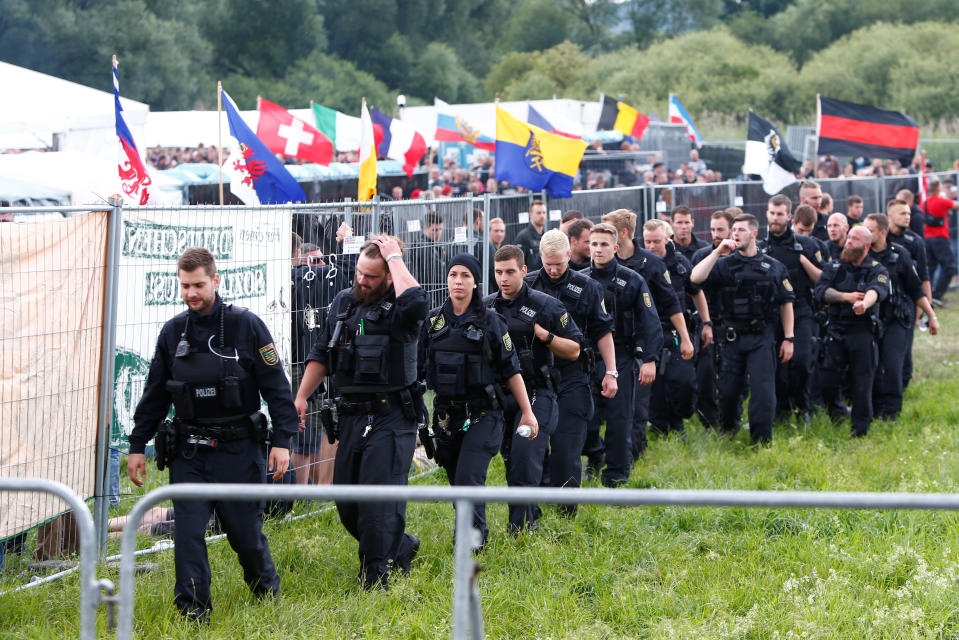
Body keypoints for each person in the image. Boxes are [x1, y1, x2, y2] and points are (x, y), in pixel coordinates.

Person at [128, 247, 298, 622]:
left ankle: (265, 589)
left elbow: (276, 387)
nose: (192, 293)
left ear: (216, 280)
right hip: (190, 452)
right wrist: (137, 445)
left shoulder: (246, 326)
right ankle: (193, 612)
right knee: (187, 533)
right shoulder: (173, 333)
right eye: (185, 285)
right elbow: (155, 394)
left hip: (239, 449)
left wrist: (283, 440)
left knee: (244, 534)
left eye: (199, 285)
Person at [294, 235, 428, 590]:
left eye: (371, 276)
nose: (362, 281)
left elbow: (418, 302)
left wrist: (395, 257)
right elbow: (322, 352)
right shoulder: (344, 302)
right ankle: (399, 546)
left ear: (388, 275)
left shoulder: (402, 304)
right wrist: (301, 397)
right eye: (359, 273)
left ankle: (375, 576)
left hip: (392, 416)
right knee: (348, 502)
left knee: (378, 501)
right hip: (352, 416)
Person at [420, 254, 537, 549]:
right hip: (447, 416)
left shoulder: (491, 321)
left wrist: (527, 412)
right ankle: (474, 532)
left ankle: (471, 544)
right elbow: (419, 370)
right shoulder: (433, 321)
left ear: (475, 282)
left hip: (485, 414)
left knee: (469, 477)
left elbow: (512, 370)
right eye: (453, 275)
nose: (458, 281)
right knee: (457, 482)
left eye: (465, 276)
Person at [486, 245, 582, 531]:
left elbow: (575, 348)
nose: (504, 278)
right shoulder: (487, 306)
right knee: (511, 459)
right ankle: (530, 513)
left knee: (525, 458)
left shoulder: (546, 305)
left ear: (524, 271)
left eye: (510, 272)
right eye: (498, 272)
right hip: (502, 396)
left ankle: (521, 529)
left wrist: (547, 336)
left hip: (538, 393)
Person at [526, 230, 616, 514]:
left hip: (573, 374)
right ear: (540, 257)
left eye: (559, 264)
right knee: (534, 447)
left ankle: (567, 511)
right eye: (548, 263)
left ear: (569, 255)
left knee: (567, 447)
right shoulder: (528, 285)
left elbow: (603, 330)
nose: (553, 270)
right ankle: (536, 505)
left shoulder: (586, 286)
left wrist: (611, 371)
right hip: (537, 376)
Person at [690, 214, 795, 445]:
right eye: (733, 230)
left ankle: (762, 441)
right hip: (731, 337)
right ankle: (728, 431)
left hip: (762, 337)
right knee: (728, 392)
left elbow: (786, 302)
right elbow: (695, 279)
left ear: (754, 233)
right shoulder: (723, 264)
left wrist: (789, 337)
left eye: (741, 230)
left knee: (762, 392)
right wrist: (717, 252)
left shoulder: (773, 267)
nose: (735, 234)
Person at [600, 208, 686, 458]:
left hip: (638, 343)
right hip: (607, 346)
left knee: (636, 406)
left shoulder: (651, 264)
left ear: (623, 233)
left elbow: (670, 303)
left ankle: (632, 457)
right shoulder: (600, 265)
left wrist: (684, 338)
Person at [582, 223, 662, 486]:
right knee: (587, 418)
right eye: (594, 244)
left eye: (604, 244)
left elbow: (650, 322)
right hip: (587, 357)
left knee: (619, 420)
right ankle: (594, 455)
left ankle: (616, 476)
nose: (598, 249)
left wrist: (650, 359)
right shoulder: (579, 280)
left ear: (615, 248)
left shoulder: (632, 280)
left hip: (623, 355)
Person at [814, 225, 889, 436]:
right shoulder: (834, 266)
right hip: (836, 330)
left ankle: (860, 430)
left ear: (866, 246)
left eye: (854, 239)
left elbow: (878, 290)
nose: (848, 242)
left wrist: (865, 303)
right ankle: (838, 414)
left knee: (862, 384)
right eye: (849, 238)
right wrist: (845, 297)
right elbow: (820, 291)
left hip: (862, 332)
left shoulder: (877, 269)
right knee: (827, 381)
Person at [863, 214, 939, 420]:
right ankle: (874, 408)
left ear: (882, 232)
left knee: (893, 364)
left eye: (870, 230)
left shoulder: (900, 254)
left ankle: (892, 411)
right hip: (868, 318)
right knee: (873, 365)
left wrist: (931, 316)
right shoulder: (861, 253)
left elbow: (915, 288)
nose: (866, 233)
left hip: (896, 316)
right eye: (864, 229)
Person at [759, 194, 823, 425]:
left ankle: (802, 407)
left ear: (790, 216)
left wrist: (803, 260)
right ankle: (781, 409)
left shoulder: (807, 245)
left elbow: (823, 280)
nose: (775, 219)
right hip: (771, 313)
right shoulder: (760, 248)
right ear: (766, 214)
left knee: (802, 361)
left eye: (780, 214)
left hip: (801, 310)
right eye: (772, 213)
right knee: (775, 366)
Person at [643, 219, 710, 436]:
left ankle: (680, 417)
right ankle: (661, 427)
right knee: (657, 385)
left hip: (678, 330)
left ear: (666, 239)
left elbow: (695, 290)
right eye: (647, 242)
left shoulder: (679, 263)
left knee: (683, 380)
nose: (651, 246)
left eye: (656, 241)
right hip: (652, 331)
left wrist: (706, 322)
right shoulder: (640, 264)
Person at [690, 209, 736, 430]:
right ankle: (709, 423)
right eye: (713, 229)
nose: (716, 234)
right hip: (708, 321)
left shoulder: (741, 257)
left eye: (721, 229)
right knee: (705, 374)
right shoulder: (702, 257)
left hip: (735, 323)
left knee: (732, 376)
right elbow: (694, 286)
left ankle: (731, 420)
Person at [886, 198, 932, 391]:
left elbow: (923, 276)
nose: (907, 217)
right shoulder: (880, 237)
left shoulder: (914, 241)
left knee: (904, 351)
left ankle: (901, 388)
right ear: (890, 215)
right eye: (902, 213)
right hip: (883, 301)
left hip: (906, 302)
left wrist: (924, 308)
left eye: (908, 213)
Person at [922, 179, 957, 306]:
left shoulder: (924, 203)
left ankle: (928, 294)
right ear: (938, 189)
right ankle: (937, 294)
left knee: (931, 268)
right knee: (949, 267)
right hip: (941, 238)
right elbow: (956, 206)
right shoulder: (942, 201)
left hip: (927, 239)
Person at [514, 199, 548, 271]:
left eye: (544, 213)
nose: (542, 216)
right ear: (530, 214)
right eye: (538, 213)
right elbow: (517, 264)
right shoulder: (523, 237)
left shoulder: (546, 236)